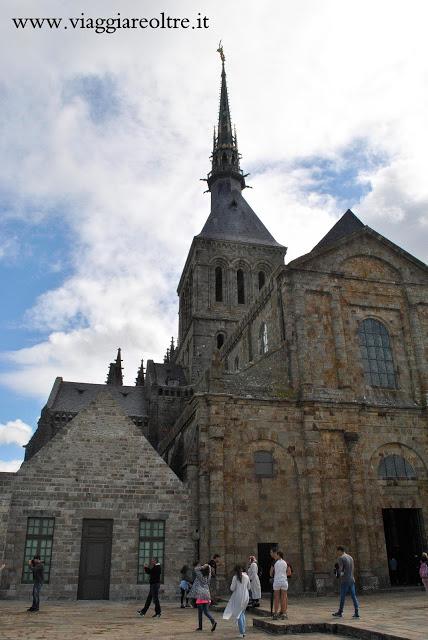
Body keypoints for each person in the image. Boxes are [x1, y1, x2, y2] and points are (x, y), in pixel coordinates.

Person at [332, 546, 360, 618]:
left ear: (340, 551)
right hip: (351, 579)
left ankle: (340, 612)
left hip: (345, 580)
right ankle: (357, 612)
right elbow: (352, 569)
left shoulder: (341, 558)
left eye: (337, 551)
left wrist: (336, 571)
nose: (337, 553)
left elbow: (341, 571)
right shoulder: (351, 557)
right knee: (353, 596)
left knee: (342, 596)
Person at [188, 563, 217, 632]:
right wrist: (208, 566)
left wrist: (202, 567)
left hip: (200, 594)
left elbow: (195, 569)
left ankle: (200, 627)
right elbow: (209, 570)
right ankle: (213, 621)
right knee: (206, 611)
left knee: (200, 612)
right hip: (207, 594)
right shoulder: (208, 576)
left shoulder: (200, 575)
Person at [223, 565, 250, 638]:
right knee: (242, 613)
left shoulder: (235, 577)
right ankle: (243, 631)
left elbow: (232, 588)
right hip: (246, 596)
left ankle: (242, 632)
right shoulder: (246, 577)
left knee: (239, 614)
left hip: (238, 596)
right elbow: (249, 587)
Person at [272, 550, 288, 620]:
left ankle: (275, 613)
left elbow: (272, 572)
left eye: (277, 555)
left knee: (276, 598)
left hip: (277, 581)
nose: (276, 556)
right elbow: (287, 571)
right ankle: (284, 614)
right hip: (284, 580)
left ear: (279, 555)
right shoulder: (285, 562)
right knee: (284, 598)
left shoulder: (275, 562)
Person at [269, 547, 279, 614]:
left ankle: (275, 611)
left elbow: (270, 572)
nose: (270, 554)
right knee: (283, 596)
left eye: (271, 552)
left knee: (276, 596)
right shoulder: (282, 561)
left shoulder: (275, 561)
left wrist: (272, 576)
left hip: (276, 580)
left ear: (275, 553)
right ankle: (283, 611)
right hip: (282, 580)